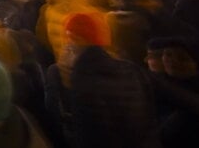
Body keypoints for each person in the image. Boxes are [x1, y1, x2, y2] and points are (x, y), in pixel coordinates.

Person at [61, 12, 159, 148]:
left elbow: (88, 133)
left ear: (76, 39)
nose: (67, 45)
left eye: (70, 38)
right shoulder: (131, 68)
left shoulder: (83, 77)